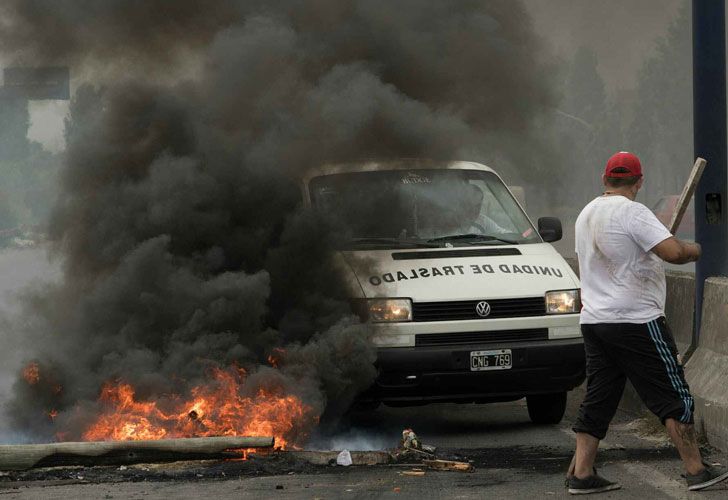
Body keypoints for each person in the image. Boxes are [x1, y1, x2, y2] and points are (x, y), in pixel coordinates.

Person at [567, 151, 728, 494]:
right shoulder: (634, 212)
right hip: (637, 319)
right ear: (639, 182)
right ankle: (697, 469)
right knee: (673, 394)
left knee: (599, 396)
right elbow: (672, 253)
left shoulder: (586, 213)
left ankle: (581, 474)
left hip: (595, 320)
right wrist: (695, 249)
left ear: (604, 179)